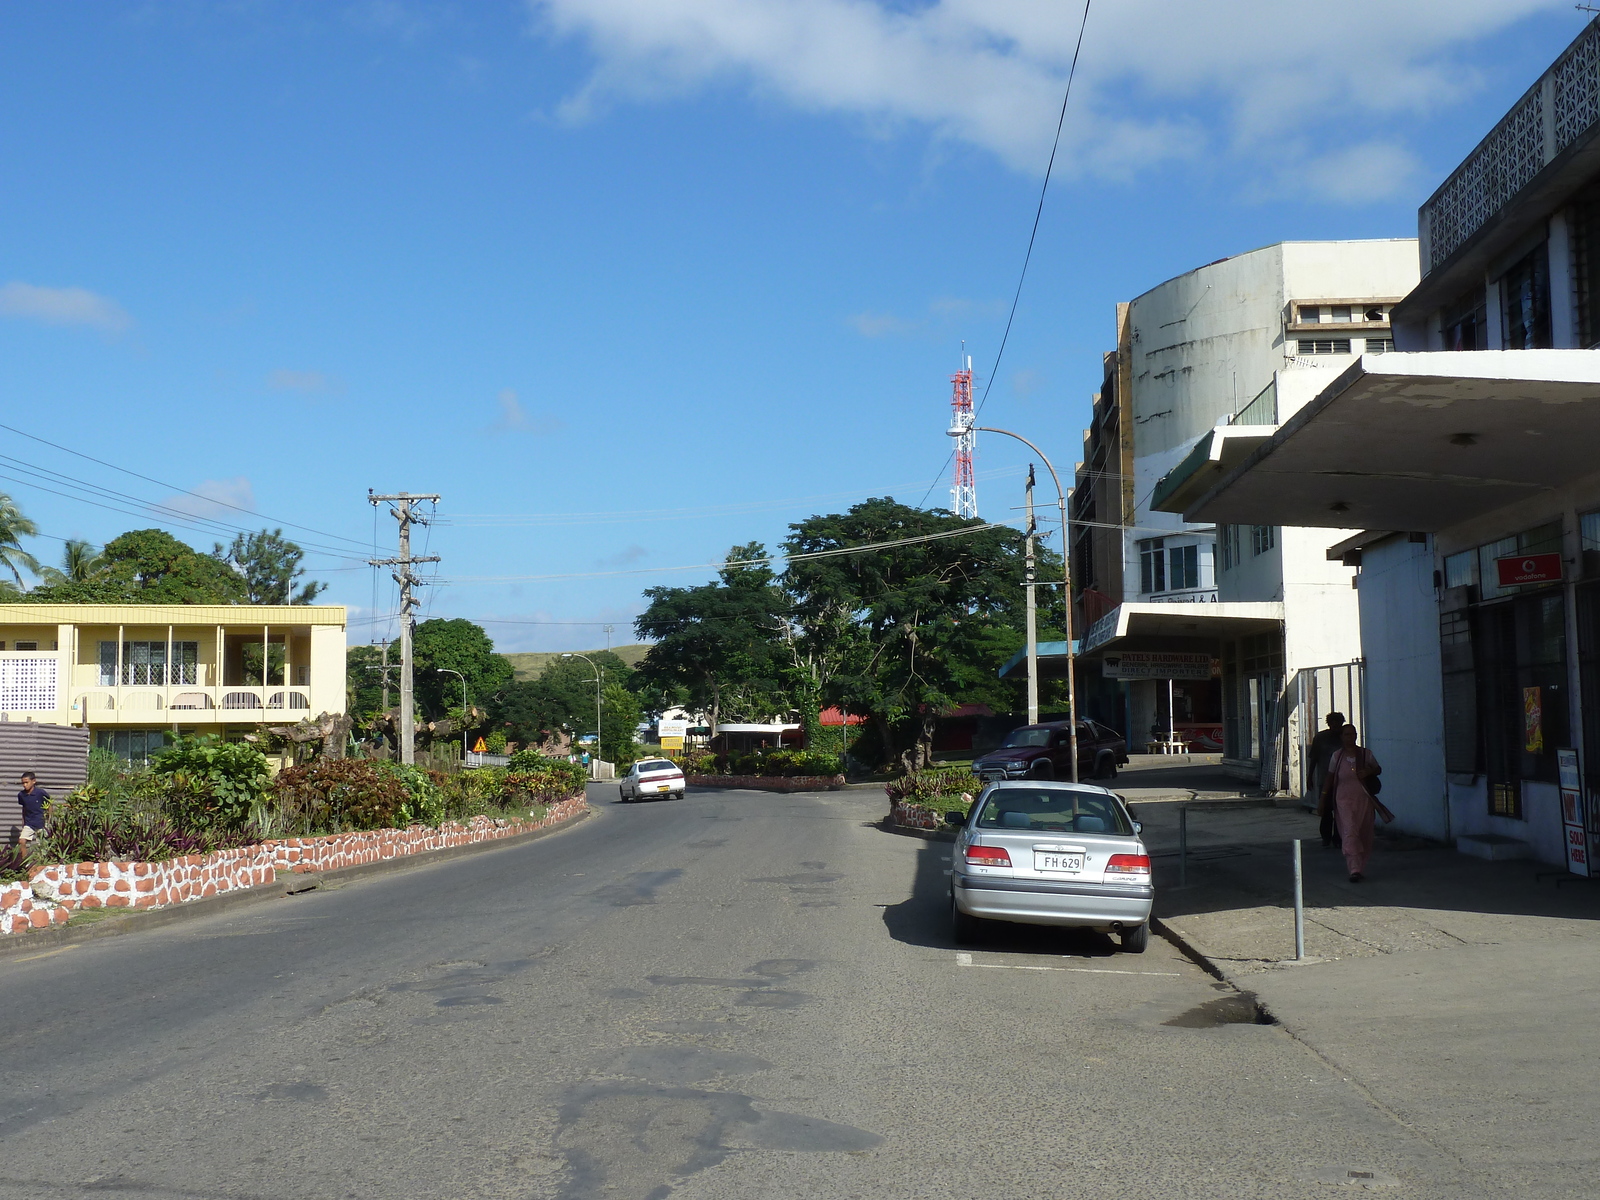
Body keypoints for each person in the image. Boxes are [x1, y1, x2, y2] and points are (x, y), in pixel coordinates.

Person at [1321, 725, 1382, 882]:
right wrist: (1323, 799)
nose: (1351, 737)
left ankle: (1360, 867)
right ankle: (1353, 869)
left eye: (1353, 734)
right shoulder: (1337, 756)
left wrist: (1369, 771)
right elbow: (1330, 778)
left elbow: (1378, 769)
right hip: (1344, 801)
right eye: (1347, 734)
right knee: (1350, 832)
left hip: (1364, 800)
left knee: (1364, 834)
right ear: (1342, 737)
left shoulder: (1365, 754)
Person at [1309, 712, 1347, 849]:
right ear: (1328, 723)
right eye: (1333, 722)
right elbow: (1313, 759)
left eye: (1338, 722)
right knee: (1325, 810)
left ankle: (1338, 838)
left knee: (1340, 811)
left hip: (1343, 780)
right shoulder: (1320, 738)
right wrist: (1309, 777)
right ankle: (1326, 837)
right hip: (1324, 779)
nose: (1335, 725)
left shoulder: (1345, 738)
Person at [16, 771, 48, 846]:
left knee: (43, 846)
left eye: (26, 782)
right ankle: (24, 858)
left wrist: (49, 821)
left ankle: (42, 858)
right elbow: (24, 808)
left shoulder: (40, 793)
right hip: (29, 823)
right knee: (22, 841)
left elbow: (49, 805)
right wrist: (23, 822)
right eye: (23, 783)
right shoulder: (21, 795)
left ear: (33, 781)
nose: (24, 785)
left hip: (41, 823)